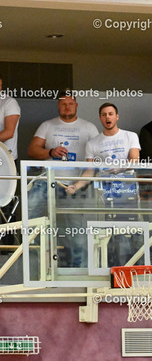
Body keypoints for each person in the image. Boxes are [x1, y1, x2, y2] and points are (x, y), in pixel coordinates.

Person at [26, 94, 99, 266]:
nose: (67, 107)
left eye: (70, 104)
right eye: (63, 104)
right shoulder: (47, 125)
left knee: (74, 230)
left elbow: (98, 154)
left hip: (74, 184)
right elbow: (32, 151)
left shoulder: (88, 127)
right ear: (58, 106)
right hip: (47, 180)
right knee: (29, 218)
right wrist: (50, 152)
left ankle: (76, 271)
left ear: (77, 105)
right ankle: (36, 265)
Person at [67, 103, 141, 266]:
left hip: (128, 193)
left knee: (133, 233)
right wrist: (76, 186)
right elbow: (89, 172)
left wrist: (120, 167)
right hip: (106, 196)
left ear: (117, 116)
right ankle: (115, 273)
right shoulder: (93, 143)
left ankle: (136, 273)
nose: (107, 117)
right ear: (100, 118)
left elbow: (135, 160)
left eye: (110, 114)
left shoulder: (130, 136)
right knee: (112, 235)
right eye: (104, 114)